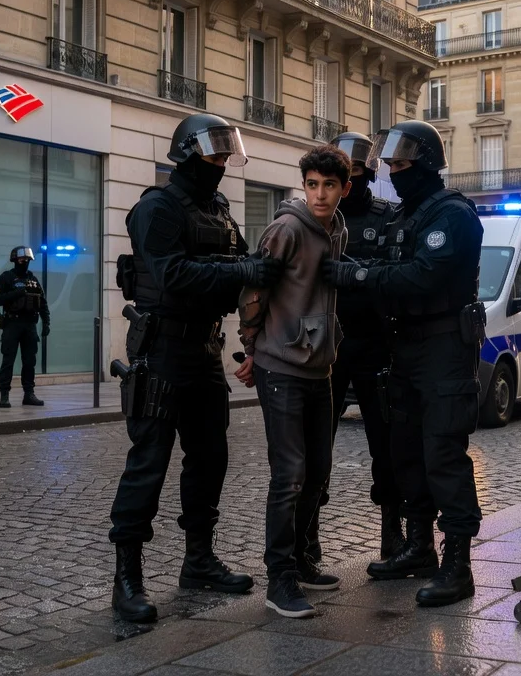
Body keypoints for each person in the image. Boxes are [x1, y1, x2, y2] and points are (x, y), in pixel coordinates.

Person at [108, 113, 284, 623]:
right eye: (214, 155)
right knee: (149, 464)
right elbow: (172, 273)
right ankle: (127, 577)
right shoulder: (156, 208)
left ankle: (199, 560)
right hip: (162, 351)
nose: (222, 163)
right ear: (186, 154)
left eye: (227, 155)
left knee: (210, 460)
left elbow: (240, 270)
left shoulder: (220, 209)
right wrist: (240, 270)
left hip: (206, 350)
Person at [322, 120, 484, 607]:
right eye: (390, 164)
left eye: (402, 164)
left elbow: (422, 277)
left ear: (428, 165)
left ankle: (458, 565)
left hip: (444, 348)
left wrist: (360, 274)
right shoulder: (406, 216)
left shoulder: (451, 215)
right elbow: (397, 271)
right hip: (405, 347)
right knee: (405, 450)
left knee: (442, 454)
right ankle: (418, 548)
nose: (393, 171)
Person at [235, 145, 350, 618]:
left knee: (318, 470)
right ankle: (278, 579)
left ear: (344, 188)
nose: (320, 195)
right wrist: (251, 346)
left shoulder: (337, 230)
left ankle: (303, 560)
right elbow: (254, 289)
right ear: (303, 186)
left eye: (329, 185)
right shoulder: (286, 228)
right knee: (290, 475)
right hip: (280, 366)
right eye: (312, 185)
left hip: (319, 367)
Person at [324, 131, 402, 562]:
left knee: (386, 445)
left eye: (353, 172)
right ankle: (308, 532)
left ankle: (392, 531)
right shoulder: (314, 215)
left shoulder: (387, 217)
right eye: (340, 173)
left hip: (375, 344)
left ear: (367, 174)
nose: (346, 181)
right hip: (324, 346)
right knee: (316, 444)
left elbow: (397, 275)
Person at [0, 246, 50, 408]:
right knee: (8, 360)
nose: (25, 263)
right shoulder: (7, 278)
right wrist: (16, 293)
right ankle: (4, 395)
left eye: (27, 261)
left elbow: (42, 302)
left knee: (29, 361)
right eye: (22, 260)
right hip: (12, 324)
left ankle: (29, 394)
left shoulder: (33, 280)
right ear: (15, 261)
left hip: (30, 325)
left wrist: (46, 322)